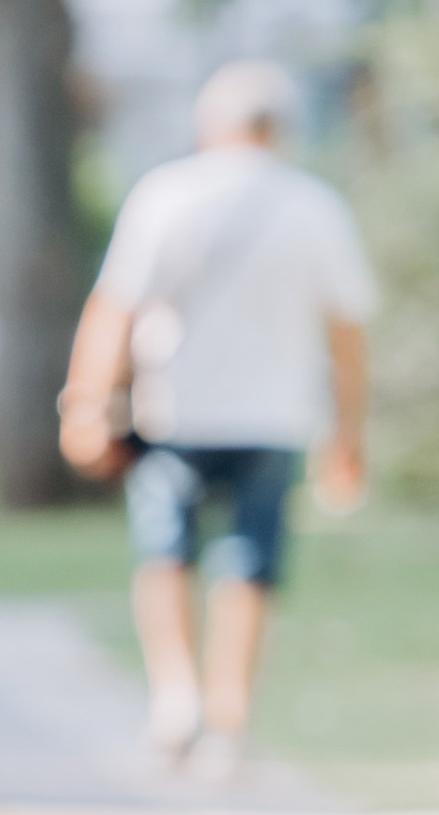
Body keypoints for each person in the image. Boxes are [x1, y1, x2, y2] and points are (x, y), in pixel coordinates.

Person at [59, 60, 375, 776]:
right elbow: (348, 334)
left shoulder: (166, 195)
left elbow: (115, 308)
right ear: (282, 130)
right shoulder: (315, 207)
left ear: (211, 126)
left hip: (174, 409)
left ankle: (176, 697)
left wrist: (84, 402)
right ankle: (229, 716)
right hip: (276, 415)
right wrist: (349, 434)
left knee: (165, 553)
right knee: (249, 566)